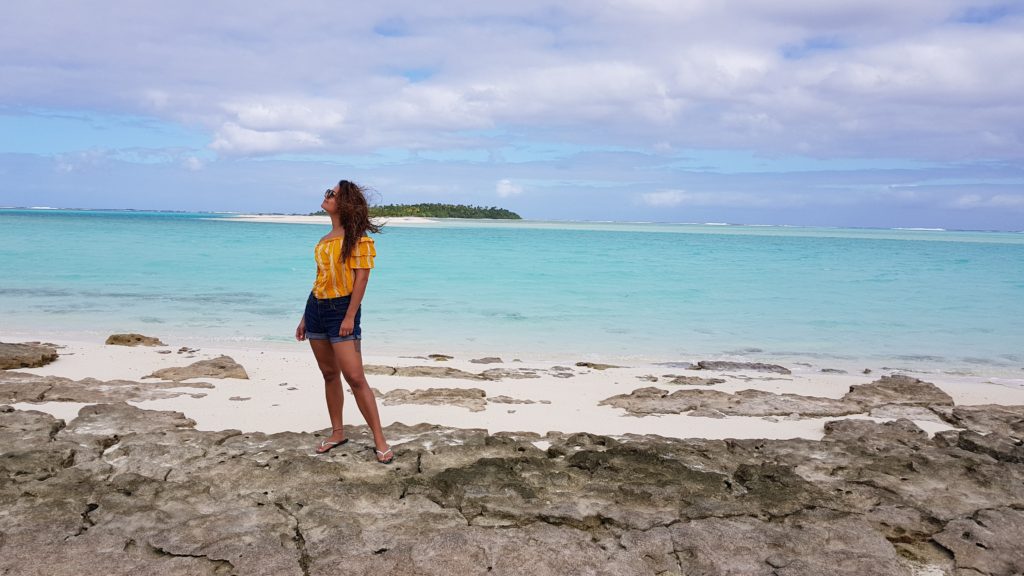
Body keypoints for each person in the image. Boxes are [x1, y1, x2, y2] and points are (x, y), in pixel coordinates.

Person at [295, 180, 393, 463]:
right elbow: (319, 279)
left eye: (331, 194)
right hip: (316, 309)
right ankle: (337, 432)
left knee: (355, 377)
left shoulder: (358, 239)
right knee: (329, 374)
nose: (325, 196)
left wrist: (350, 316)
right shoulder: (325, 239)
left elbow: (362, 279)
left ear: (344, 203)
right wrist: (304, 316)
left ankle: (380, 439)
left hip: (341, 310)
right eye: (327, 192)